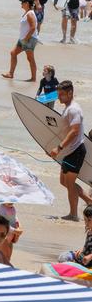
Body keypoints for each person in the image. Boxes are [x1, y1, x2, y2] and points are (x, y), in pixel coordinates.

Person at [51, 81, 92, 221]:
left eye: (62, 94)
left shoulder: (74, 109)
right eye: (58, 94)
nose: (59, 97)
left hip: (76, 150)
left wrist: (59, 147)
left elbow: (74, 131)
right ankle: (88, 200)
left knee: (69, 184)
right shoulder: (68, 108)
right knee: (64, 181)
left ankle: (73, 214)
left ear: (70, 93)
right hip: (69, 151)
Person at [2, 0, 38, 82]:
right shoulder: (27, 13)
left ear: (27, 4)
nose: (21, 4)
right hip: (23, 39)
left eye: (22, 2)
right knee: (13, 53)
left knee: (30, 58)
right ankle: (11, 74)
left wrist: (26, 39)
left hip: (29, 39)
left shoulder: (30, 14)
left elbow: (33, 28)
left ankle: (33, 78)